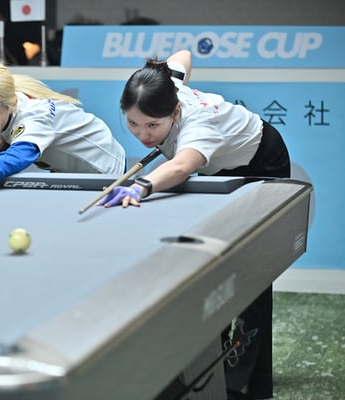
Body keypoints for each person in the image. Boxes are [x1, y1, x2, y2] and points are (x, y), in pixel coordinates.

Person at [99, 50, 290, 400]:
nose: (143, 134)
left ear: (175, 112)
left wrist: (141, 186)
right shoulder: (166, 86)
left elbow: (182, 166)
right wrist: (160, 71)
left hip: (262, 161)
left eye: (152, 126)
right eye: (133, 123)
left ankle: (242, 384)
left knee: (251, 268)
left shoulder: (199, 124)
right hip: (220, 166)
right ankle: (208, 362)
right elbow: (183, 56)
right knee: (214, 263)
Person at [0, 60, 126, 198]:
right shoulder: (10, 96)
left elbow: (18, 157)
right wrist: (8, 138)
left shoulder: (35, 118)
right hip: (71, 170)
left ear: (11, 104)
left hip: (105, 172)